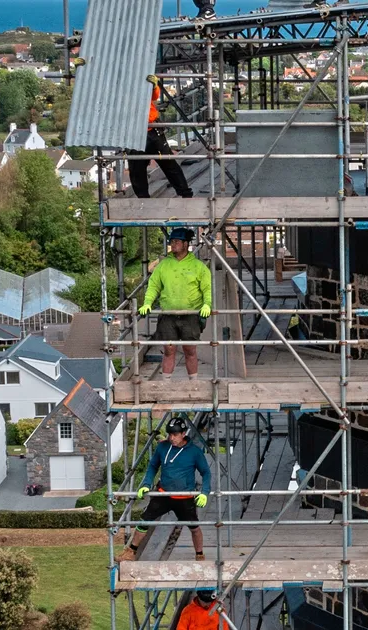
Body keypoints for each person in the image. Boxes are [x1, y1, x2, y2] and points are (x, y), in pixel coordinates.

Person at [116, 415, 212, 563]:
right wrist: (146, 484)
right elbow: (153, 466)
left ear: (183, 434)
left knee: (194, 527)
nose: (171, 438)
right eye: (169, 434)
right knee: (144, 521)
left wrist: (204, 492)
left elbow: (206, 472)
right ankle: (130, 552)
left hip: (185, 497)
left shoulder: (194, 452)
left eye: (175, 435)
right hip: (163, 494)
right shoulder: (162, 447)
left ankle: (199, 554)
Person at [140, 227, 212, 380]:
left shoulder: (198, 266)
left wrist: (207, 304)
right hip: (168, 315)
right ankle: (166, 385)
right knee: (169, 350)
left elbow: (207, 289)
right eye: (171, 241)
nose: (173, 244)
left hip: (190, 315)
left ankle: (193, 384)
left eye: (176, 241)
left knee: (190, 350)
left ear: (186, 244)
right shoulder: (164, 265)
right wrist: (147, 303)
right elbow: (153, 286)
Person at [127, 76, 194, 199]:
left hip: (151, 130)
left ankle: (185, 194)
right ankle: (143, 200)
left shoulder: (138, 74)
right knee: (137, 169)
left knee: (168, 163)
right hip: (133, 132)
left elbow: (153, 96)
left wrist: (154, 87)